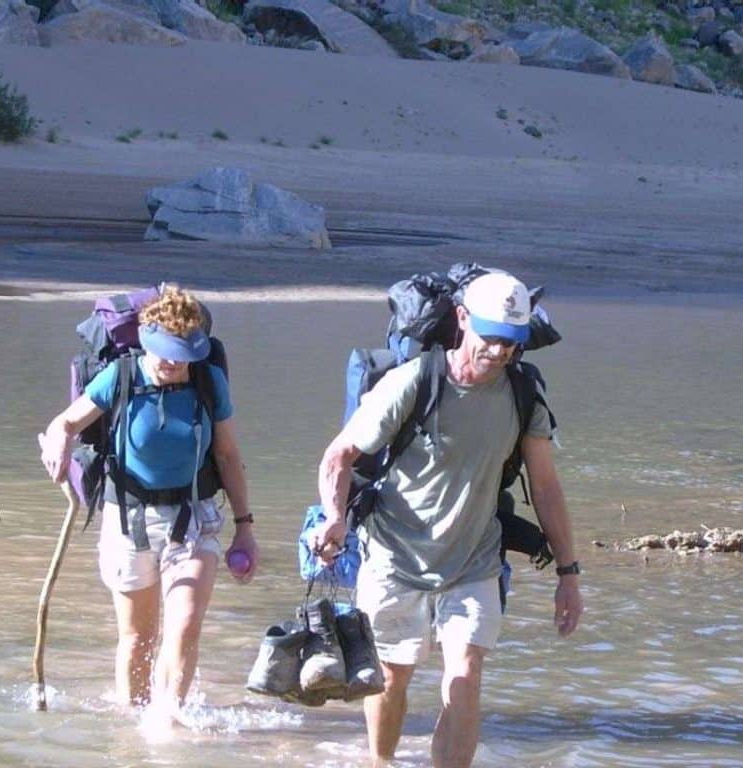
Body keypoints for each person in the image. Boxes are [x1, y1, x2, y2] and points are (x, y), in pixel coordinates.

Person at [315, 271, 583, 767]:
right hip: (395, 557)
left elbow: (545, 487)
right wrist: (335, 516)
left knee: (465, 673)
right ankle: (382, 762)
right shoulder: (415, 382)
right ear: (462, 320)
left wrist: (568, 574)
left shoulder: (523, 396)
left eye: (512, 341)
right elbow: (340, 456)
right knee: (393, 675)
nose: (501, 352)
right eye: (491, 337)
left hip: (474, 561)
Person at [38, 284, 257, 715]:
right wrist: (59, 444)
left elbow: (228, 455)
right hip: (128, 520)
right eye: (166, 353)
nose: (175, 363)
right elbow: (66, 422)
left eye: (184, 354)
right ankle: (132, 728)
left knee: (185, 626)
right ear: (146, 342)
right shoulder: (119, 376)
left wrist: (245, 528)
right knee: (137, 639)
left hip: (193, 518)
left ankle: (167, 726)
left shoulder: (208, 381)